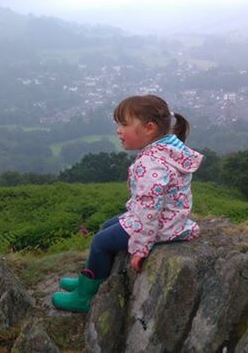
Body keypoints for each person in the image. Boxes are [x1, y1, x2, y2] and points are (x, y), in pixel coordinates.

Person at [52, 94, 203, 312]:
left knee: (100, 242)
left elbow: (149, 211)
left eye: (124, 125)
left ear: (149, 128)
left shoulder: (151, 164)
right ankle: (89, 277)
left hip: (159, 224)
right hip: (170, 218)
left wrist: (141, 248)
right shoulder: (167, 147)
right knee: (107, 226)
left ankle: (85, 297)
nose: (118, 131)